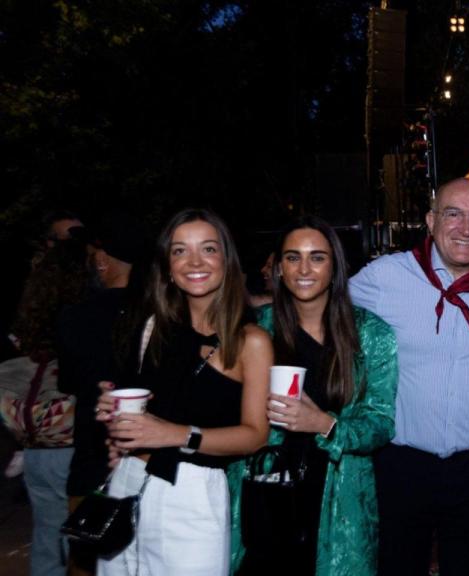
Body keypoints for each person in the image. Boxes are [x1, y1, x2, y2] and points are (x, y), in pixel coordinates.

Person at [349, 178, 469, 576]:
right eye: (453, 214)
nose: (466, 228)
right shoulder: (385, 277)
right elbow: (321, 311)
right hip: (402, 464)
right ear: (431, 221)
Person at [96, 209, 272, 576]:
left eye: (208, 249)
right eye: (180, 251)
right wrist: (112, 411)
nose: (194, 262)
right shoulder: (151, 328)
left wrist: (176, 434)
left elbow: (256, 435)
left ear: (226, 260)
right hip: (127, 481)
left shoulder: (250, 341)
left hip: (192, 495)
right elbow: (138, 408)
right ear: (168, 266)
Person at [233, 216, 398, 575]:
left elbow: (381, 424)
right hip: (264, 490)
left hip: (337, 495)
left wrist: (325, 424)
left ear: (336, 267)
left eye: (317, 257)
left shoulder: (371, 334)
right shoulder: (255, 329)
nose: (304, 269)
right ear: (278, 268)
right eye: (293, 257)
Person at [59, 218, 147, 576]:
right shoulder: (160, 313)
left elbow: (68, 382)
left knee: (86, 559)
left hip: (92, 460)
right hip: (147, 462)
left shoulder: (75, 315)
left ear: (101, 261)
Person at [6, 239, 90, 576]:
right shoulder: (83, 315)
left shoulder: (34, 313)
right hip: (70, 441)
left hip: (35, 444)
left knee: (47, 538)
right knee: (80, 544)